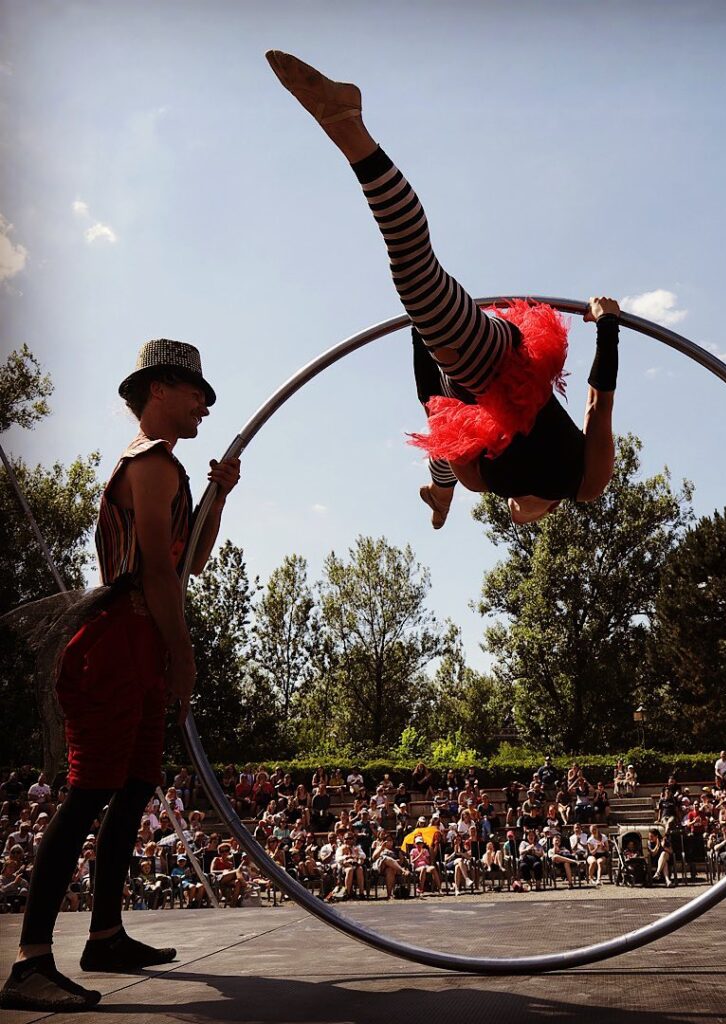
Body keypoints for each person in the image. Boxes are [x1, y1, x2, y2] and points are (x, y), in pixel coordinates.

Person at [265, 51, 621, 530]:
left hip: (458, 378)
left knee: (430, 336)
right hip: (510, 366)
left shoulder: (481, 481)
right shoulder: (586, 483)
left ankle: (439, 492)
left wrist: (422, 333)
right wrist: (608, 326)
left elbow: (441, 415)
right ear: (549, 511)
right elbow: (599, 404)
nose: (518, 518)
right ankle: (349, 127)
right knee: (416, 278)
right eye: (527, 520)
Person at [1, 341, 240, 1013]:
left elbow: (190, 559)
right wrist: (182, 650)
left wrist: (218, 496)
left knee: (133, 787)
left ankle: (105, 933)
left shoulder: (172, 472)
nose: (205, 405)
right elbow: (161, 574)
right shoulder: (151, 464)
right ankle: (30, 964)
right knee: (88, 793)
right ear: (160, 389)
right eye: (197, 393)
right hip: (119, 639)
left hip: (141, 639)